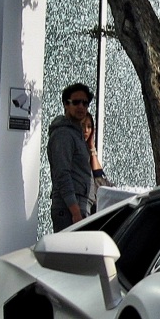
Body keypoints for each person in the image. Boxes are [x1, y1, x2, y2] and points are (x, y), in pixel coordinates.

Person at [47, 82, 94, 231]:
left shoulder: (76, 133)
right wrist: (75, 211)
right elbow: (62, 174)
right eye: (76, 102)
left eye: (85, 103)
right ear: (66, 105)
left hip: (79, 205)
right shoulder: (63, 134)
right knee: (68, 253)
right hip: (69, 209)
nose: (81, 107)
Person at [80, 111, 113, 214]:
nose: (86, 130)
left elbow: (99, 176)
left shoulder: (87, 148)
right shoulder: (77, 149)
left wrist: (92, 147)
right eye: (83, 126)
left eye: (89, 127)